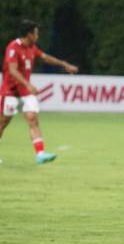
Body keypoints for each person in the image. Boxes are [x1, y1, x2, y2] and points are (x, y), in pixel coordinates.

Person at [0, 19, 78, 164]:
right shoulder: (13, 47)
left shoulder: (32, 48)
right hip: (10, 91)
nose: (38, 36)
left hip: (25, 90)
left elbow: (45, 57)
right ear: (29, 34)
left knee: (32, 118)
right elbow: (12, 70)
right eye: (36, 33)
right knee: (3, 122)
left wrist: (63, 64)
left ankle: (40, 154)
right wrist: (27, 84)